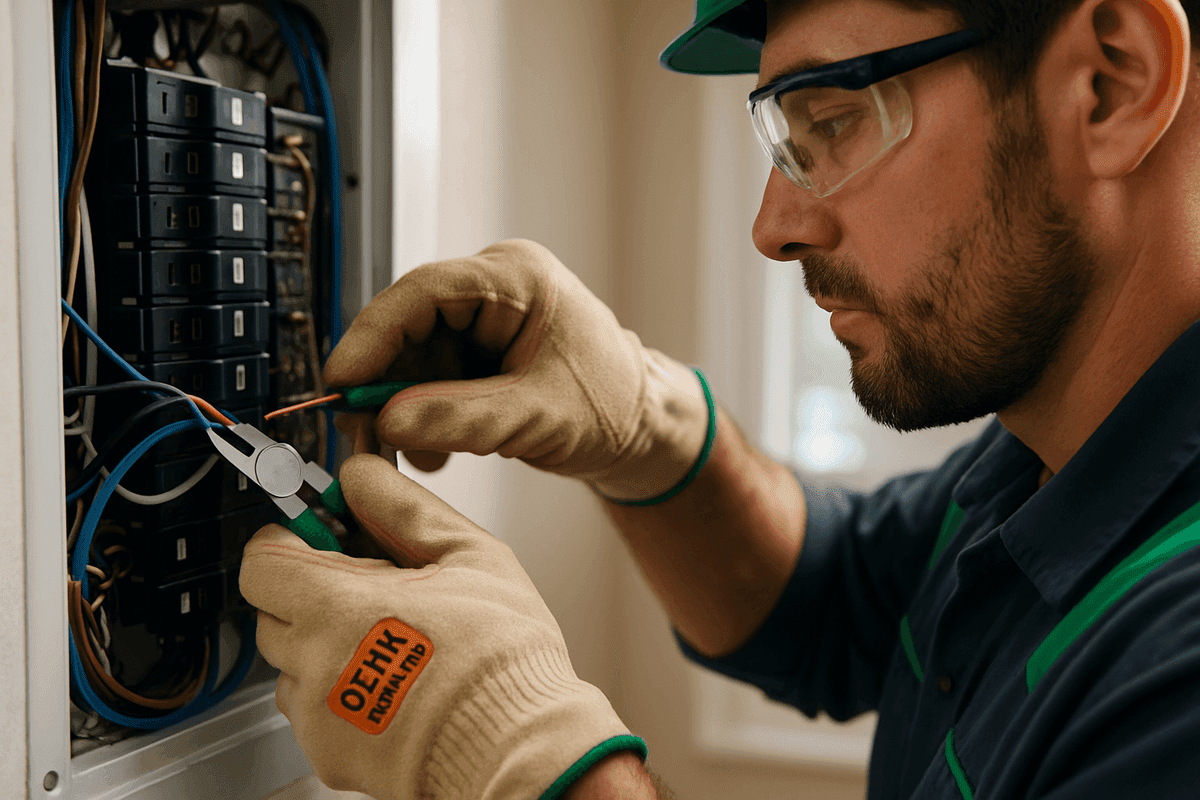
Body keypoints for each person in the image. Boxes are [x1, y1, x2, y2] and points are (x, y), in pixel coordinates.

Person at [237, 0, 1200, 797]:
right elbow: (828, 602)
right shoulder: (1043, 458)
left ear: (1109, 85)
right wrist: (647, 429)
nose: (773, 226)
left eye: (833, 120)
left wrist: (516, 753)